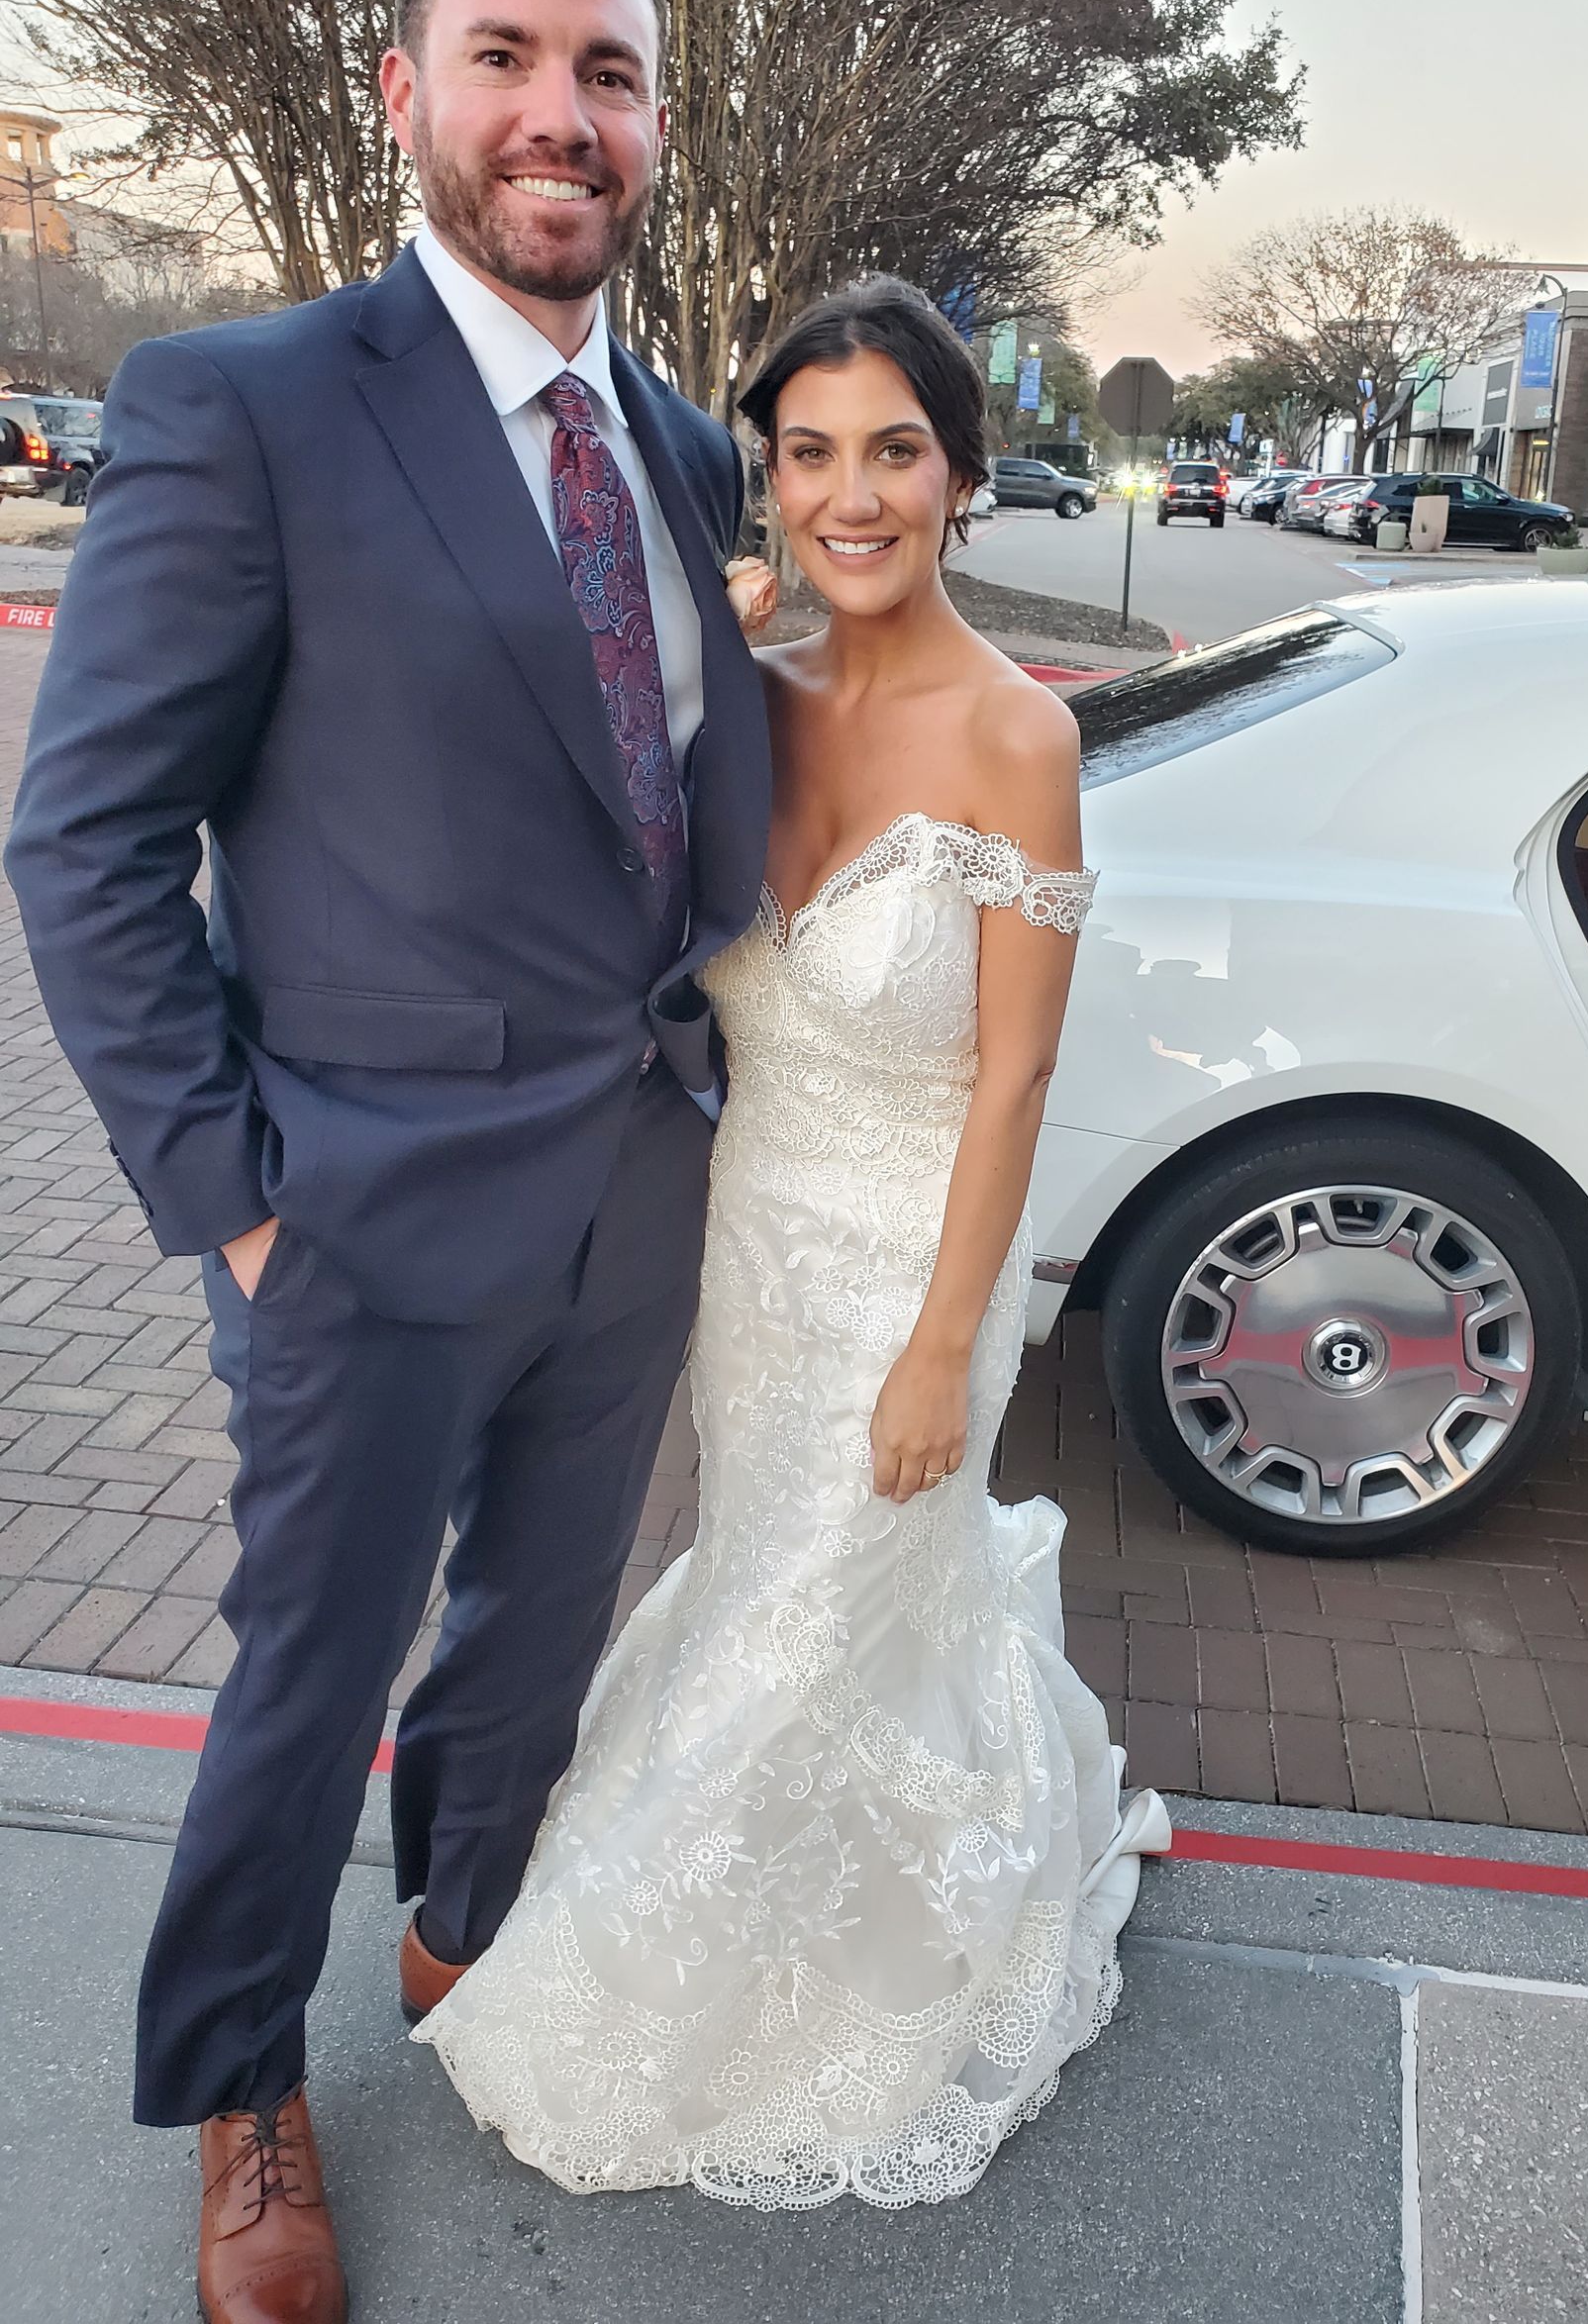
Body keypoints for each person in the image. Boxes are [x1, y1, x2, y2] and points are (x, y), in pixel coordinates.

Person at [5, 0, 774, 2324]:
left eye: (610, 71)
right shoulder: (239, 407)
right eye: (510, 59)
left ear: (654, 121)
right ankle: (242, 2076)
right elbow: (88, 838)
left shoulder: (676, 445)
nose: (564, 114)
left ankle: (463, 1930)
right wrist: (233, 1200)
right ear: (407, 95)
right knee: (306, 1668)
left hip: (632, 1184)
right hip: (351, 1206)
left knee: (535, 1633)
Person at [419, 276, 1170, 2206]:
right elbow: (562, 871)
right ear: (767, 478)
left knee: (822, 1591)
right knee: (765, 1574)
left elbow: (1010, 1082)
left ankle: (700, 1970)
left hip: (920, 1251)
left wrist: (944, 1342)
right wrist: (678, 664)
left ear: (962, 472)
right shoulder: (738, 700)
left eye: (895, 449)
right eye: (810, 451)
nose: (852, 493)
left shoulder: (1020, 739)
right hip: (752, 1240)